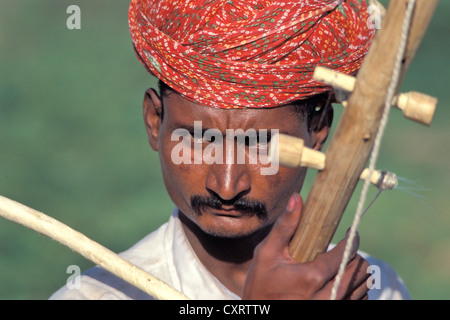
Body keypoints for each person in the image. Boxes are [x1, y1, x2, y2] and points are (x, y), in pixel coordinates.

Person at [50, 0, 410, 300]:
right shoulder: (96, 295)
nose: (225, 185)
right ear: (154, 121)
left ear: (317, 132)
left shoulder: (378, 288)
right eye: (199, 139)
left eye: (261, 145)